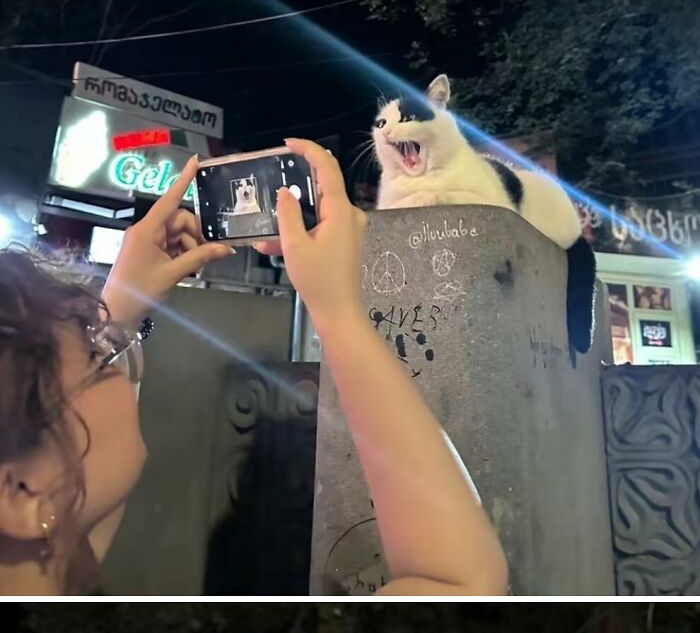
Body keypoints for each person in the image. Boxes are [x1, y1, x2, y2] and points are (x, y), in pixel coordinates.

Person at [0, 141, 508, 597]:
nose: (115, 345)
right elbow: (464, 582)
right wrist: (338, 314)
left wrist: (125, 306)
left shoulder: (43, 566)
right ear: (24, 491)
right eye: (97, 353)